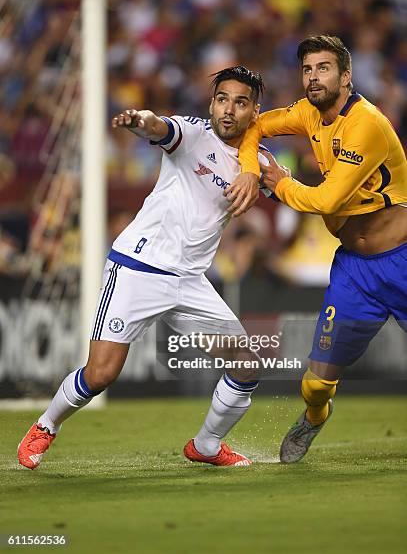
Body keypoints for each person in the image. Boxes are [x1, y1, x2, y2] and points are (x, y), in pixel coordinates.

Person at [17, 65, 265, 470]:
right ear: (211, 103)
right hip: (138, 267)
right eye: (222, 99)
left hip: (190, 281)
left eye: (240, 102)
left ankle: (205, 445)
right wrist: (139, 121)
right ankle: (45, 426)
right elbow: (160, 127)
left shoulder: (259, 165)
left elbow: (299, 192)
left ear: (255, 111)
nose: (228, 110)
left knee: (247, 363)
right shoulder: (193, 134)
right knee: (100, 374)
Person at [228, 35, 407, 463]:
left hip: (401, 259)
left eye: (323, 68)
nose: (313, 77)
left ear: (346, 76)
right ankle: (312, 418)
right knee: (316, 384)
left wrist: (279, 184)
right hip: (353, 271)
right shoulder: (307, 112)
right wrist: (252, 172)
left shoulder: (366, 123)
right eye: (307, 69)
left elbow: (326, 201)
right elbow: (253, 125)